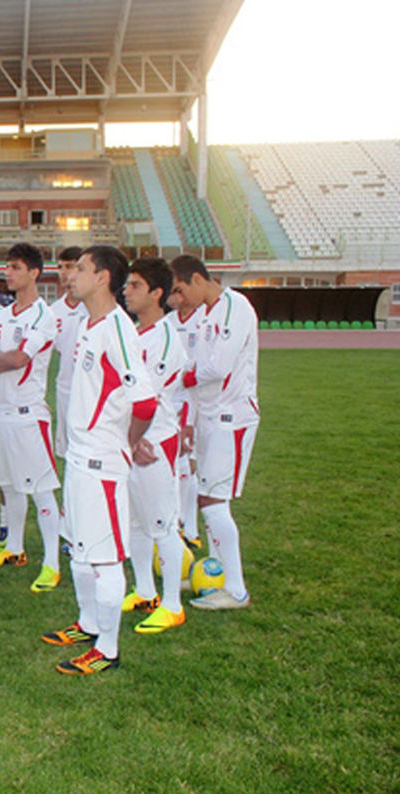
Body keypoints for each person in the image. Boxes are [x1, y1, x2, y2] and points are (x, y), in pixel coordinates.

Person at [41, 245, 156, 676]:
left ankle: (107, 650)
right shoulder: (89, 324)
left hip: (102, 462)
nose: (72, 275)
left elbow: (145, 402)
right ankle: (89, 624)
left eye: (82, 269)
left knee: (106, 558)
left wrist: (124, 443)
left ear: (104, 277)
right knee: (80, 550)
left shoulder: (118, 330)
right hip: (79, 457)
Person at [172, 255, 259, 611]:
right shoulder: (207, 314)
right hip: (209, 416)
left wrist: (178, 376)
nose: (178, 299)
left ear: (197, 278)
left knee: (213, 501)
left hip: (231, 416)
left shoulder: (235, 307)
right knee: (208, 499)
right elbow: (198, 368)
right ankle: (220, 578)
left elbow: (217, 367)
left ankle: (236, 589)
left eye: (179, 290)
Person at [0, 244, 65, 595]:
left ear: (34, 273)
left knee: (42, 491)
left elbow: (15, 360)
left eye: (15, 267)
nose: (8, 272)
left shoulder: (44, 316)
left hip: (29, 415)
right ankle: (14, 549)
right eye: (7, 266)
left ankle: (52, 565)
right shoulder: (1, 314)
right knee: (9, 487)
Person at [121, 258, 189, 633]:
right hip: (131, 440)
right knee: (137, 523)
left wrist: (135, 440)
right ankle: (145, 590)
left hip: (153, 441)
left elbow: (144, 396)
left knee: (162, 522)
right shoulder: (134, 333)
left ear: (156, 293)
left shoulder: (165, 338)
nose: (126, 292)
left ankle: (173, 604)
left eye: (134, 286)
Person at [166, 279, 203, 550]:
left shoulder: (204, 319)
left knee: (190, 462)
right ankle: (177, 523)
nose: (176, 296)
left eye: (179, 290)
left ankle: (190, 526)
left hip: (196, 398)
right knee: (177, 461)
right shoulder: (168, 322)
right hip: (172, 399)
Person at [50, 246, 85, 456]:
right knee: (68, 453)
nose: (63, 272)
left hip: (90, 388)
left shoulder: (94, 308)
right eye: (60, 267)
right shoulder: (54, 311)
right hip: (64, 387)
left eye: (69, 267)